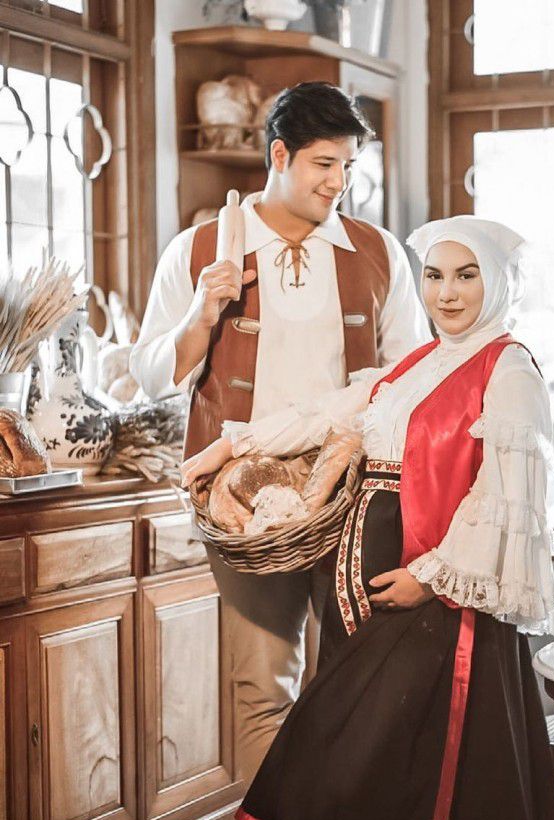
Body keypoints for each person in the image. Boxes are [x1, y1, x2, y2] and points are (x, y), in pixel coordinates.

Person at [185, 215, 554, 820]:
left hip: (438, 602)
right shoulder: (418, 364)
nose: (447, 293)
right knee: (364, 765)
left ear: (498, 283)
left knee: (365, 763)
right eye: (435, 275)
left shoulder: (509, 369)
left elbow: (507, 496)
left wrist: (430, 576)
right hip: (363, 597)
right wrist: (231, 444)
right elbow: (328, 414)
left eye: (466, 276)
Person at [131, 82, 429, 784]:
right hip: (241, 506)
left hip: (351, 497)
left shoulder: (377, 252)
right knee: (263, 688)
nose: (339, 182)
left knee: (354, 685)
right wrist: (203, 312)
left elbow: (410, 379)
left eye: (348, 166)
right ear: (278, 155)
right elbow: (150, 377)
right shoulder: (198, 249)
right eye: (324, 164)